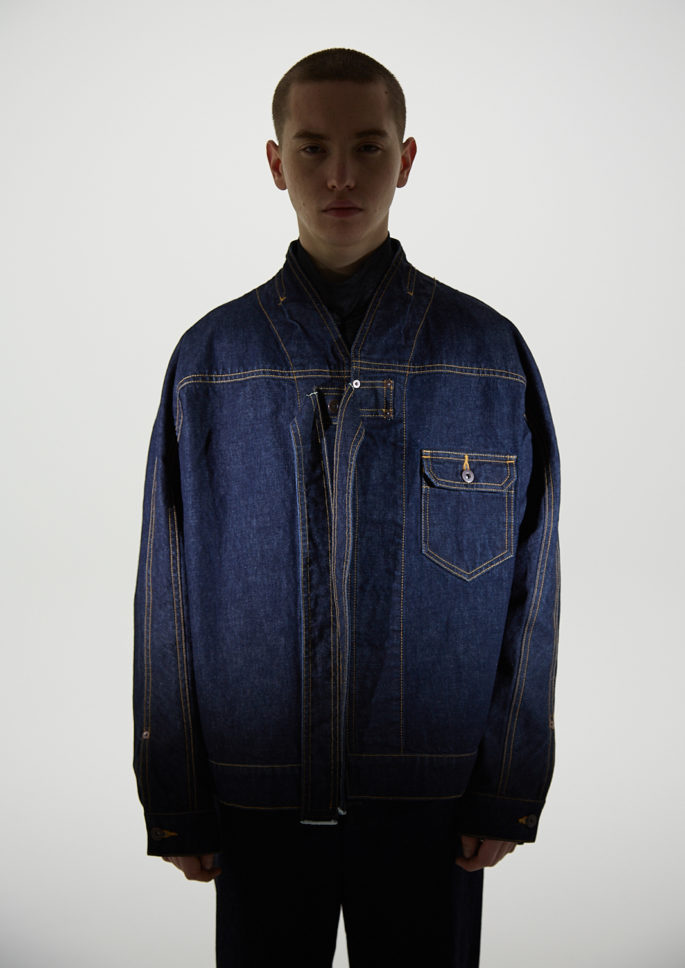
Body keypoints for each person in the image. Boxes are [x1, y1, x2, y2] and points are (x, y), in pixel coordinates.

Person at [133, 47, 560, 968]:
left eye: (367, 148)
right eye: (312, 147)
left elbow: (531, 589)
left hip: (431, 799)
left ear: (404, 160)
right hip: (255, 795)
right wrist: (176, 797)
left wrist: (506, 784)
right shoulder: (212, 361)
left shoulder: (486, 355)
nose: (339, 175)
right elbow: (165, 590)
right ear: (274, 161)